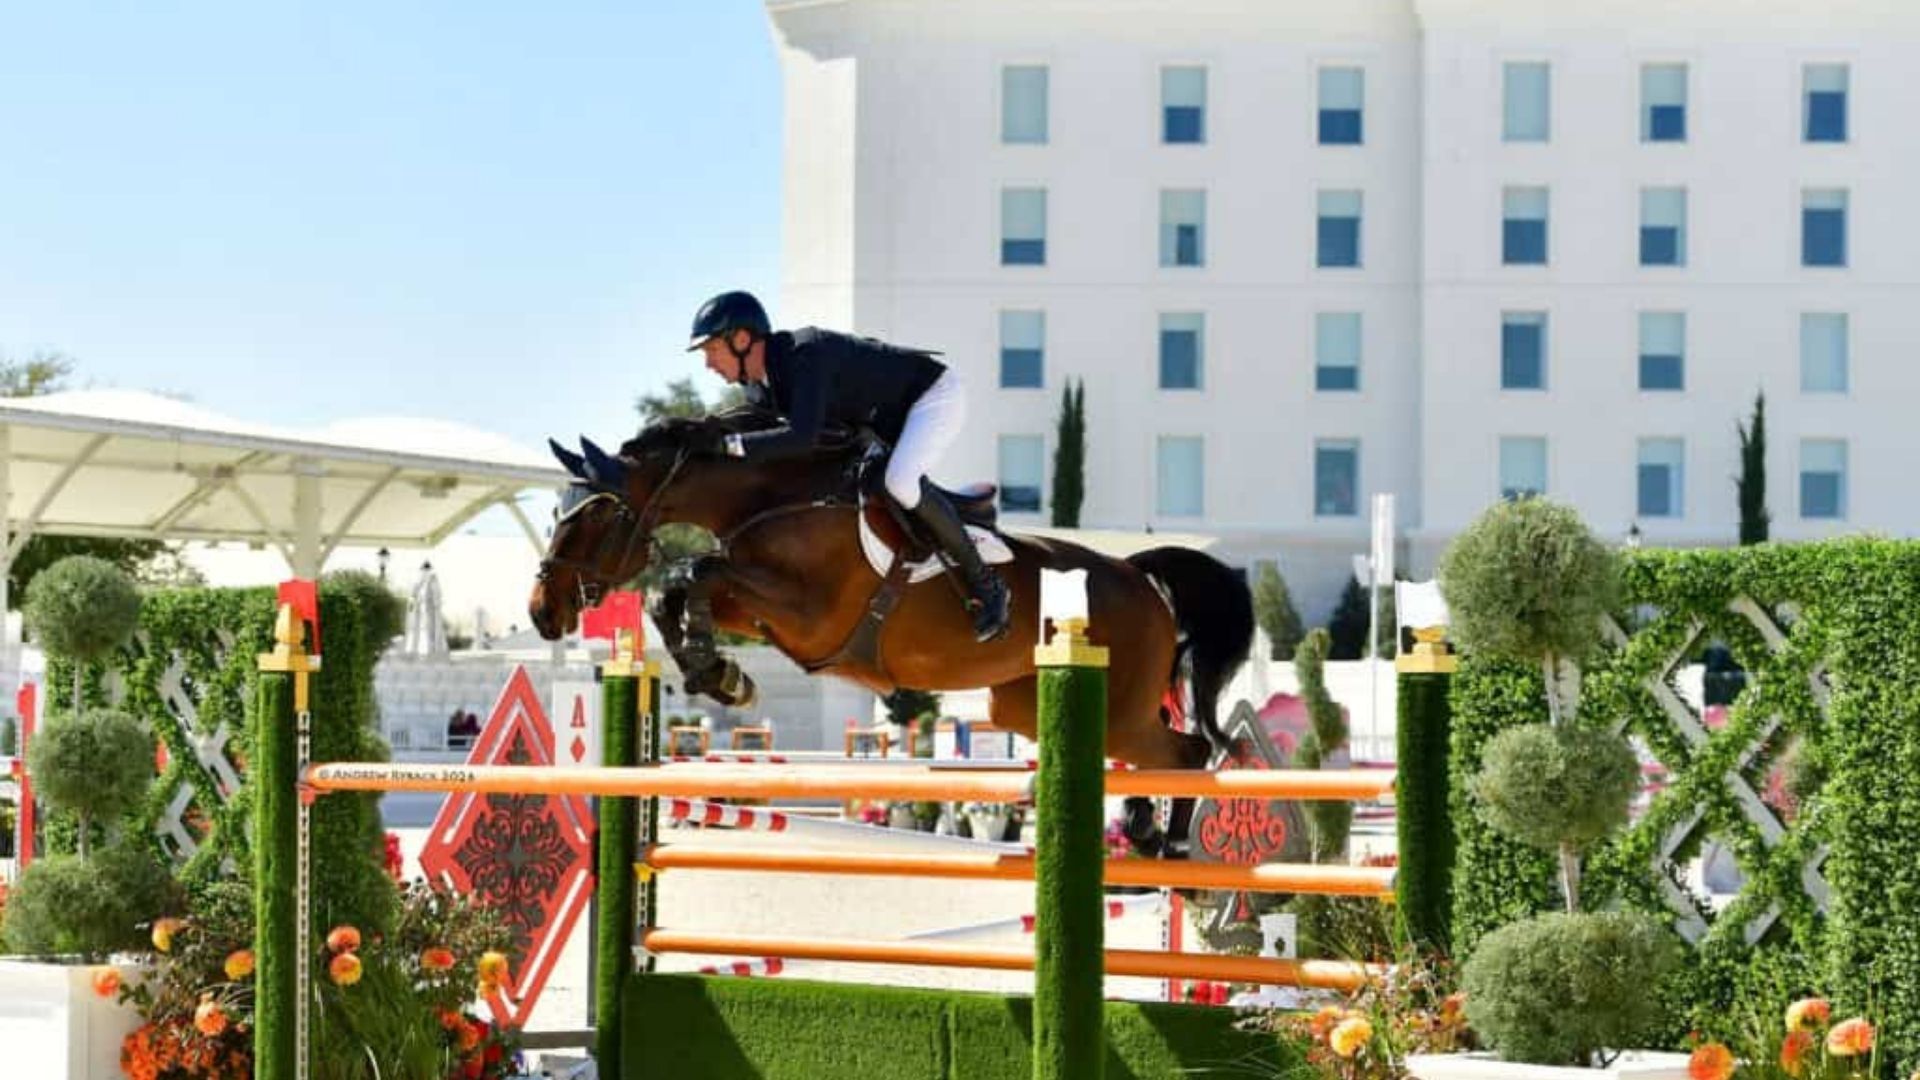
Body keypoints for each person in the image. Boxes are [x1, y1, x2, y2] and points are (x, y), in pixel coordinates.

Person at [685, 290, 1010, 642]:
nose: (709, 363)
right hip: (885, 422)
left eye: (712, 349)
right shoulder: (758, 389)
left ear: (742, 339)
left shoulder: (804, 354)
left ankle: (987, 584)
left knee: (900, 482)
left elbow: (801, 436)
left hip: (931, 396)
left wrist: (728, 447)